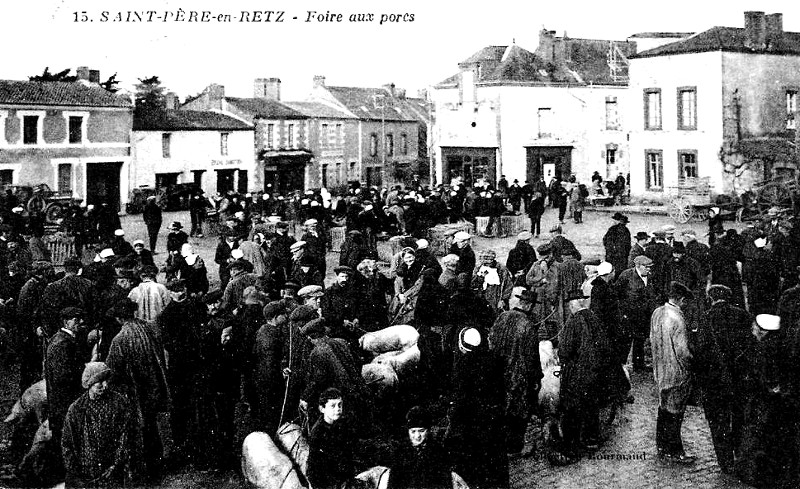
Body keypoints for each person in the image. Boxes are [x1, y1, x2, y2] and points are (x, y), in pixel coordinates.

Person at [104, 300, 171, 482]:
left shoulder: (120, 339)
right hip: (154, 386)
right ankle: (157, 466)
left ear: (119, 318)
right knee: (152, 427)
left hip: (134, 391)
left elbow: (113, 369)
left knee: (136, 431)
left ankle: (143, 471)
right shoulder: (149, 328)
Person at [694, 285, 751, 475]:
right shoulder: (742, 315)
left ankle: (725, 463)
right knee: (740, 418)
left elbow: (700, 352)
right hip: (739, 379)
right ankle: (740, 454)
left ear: (711, 298)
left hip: (715, 382)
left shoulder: (706, 318)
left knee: (718, 423)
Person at [555, 290, 614, 463]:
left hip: (577, 373)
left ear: (574, 303)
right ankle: (591, 440)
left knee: (572, 409)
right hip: (595, 373)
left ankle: (571, 448)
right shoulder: (594, 318)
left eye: (570, 304)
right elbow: (606, 347)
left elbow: (565, 350)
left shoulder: (573, 322)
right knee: (591, 406)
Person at [61, 362, 142, 488]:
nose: (105, 385)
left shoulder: (119, 403)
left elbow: (126, 436)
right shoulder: (76, 409)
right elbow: (67, 444)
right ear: (89, 384)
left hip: (112, 473)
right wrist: (76, 473)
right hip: (86, 476)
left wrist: (115, 465)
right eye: (100, 382)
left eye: (106, 380)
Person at [488, 287, 542, 455]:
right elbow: (532, 356)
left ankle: (498, 442)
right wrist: (536, 377)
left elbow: (491, 341)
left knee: (500, 407)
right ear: (530, 306)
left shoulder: (502, 317)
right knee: (518, 411)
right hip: (518, 375)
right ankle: (513, 446)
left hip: (497, 370)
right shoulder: (528, 325)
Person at [651, 281, 695, 464]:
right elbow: (682, 351)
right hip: (676, 372)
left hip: (660, 369)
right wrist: (690, 365)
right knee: (676, 413)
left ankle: (661, 446)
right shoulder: (678, 318)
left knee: (663, 409)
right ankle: (676, 451)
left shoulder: (657, 312)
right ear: (681, 299)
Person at [45, 307, 89, 473]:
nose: (81, 323)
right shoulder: (62, 343)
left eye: (80, 319)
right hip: (64, 401)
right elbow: (63, 376)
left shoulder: (63, 340)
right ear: (66, 322)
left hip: (63, 401)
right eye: (76, 320)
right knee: (65, 440)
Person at [388, 406, 452, 489]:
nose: (417, 436)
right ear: (408, 431)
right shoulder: (400, 452)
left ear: (428, 430)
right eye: (413, 431)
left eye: (421, 431)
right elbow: (393, 483)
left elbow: (446, 484)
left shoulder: (438, 452)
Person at [306, 387, 357, 489]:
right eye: (332, 406)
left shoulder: (341, 424)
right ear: (322, 409)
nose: (337, 409)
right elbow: (314, 468)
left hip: (342, 476)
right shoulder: (317, 432)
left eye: (340, 405)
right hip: (325, 481)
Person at [615, 255, 659, 372]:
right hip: (629, 316)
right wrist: (621, 313)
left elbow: (653, 295)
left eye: (650, 267)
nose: (649, 269)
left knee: (640, 341)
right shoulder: (626, 275)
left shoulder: (651, 277)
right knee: (625, 341)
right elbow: (616, 295)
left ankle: (639, 365)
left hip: (644, 316)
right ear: (638, 266)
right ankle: (620, 366)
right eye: (647, 267)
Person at [472, 249, 513, 315]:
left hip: (496, 296)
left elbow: (508, 285)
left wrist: (503, 299)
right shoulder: (478, 268)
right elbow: (474, 283)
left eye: (488, 261)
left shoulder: (501, 269)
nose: (486, 264)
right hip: (482, 296)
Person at [603, 212, 631, 279]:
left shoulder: (612, 229)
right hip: (622, 257)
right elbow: (628, 245)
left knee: (610, 272)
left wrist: (609, 250)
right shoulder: (626, 231)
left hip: (611, 255)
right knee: (621, 273)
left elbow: (605, 240)